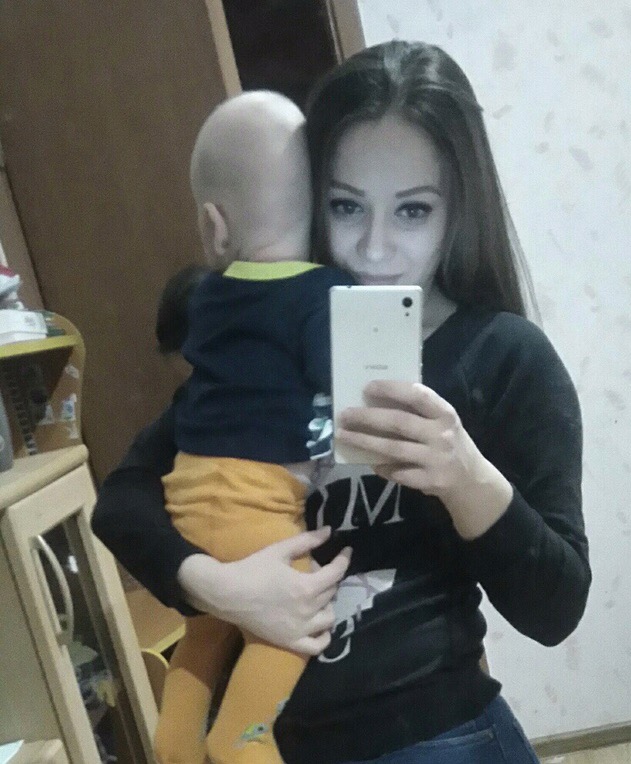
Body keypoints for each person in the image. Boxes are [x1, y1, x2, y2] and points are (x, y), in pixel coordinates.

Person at [92, 41, 591, 764]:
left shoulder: (502, 356)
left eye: (413, 210)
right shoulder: (267, 341)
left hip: (437, 733)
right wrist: (219, 588)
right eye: (346, 205)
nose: (374, 249)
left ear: (458, 211)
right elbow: (122, 500)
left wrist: (464, 477)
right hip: (276, 744)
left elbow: (556, 609)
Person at [152, 91, 355, 764]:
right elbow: (343, 383)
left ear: (214, 225)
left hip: (186, 499)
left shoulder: (207, 294)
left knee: (208, 630)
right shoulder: (327, 292)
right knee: (292, 620)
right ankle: (242, 739)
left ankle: (175, 743)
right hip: (258, 514)